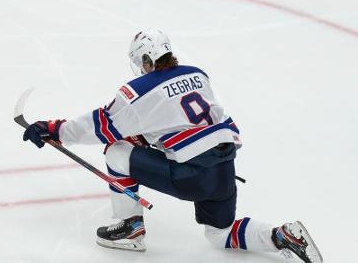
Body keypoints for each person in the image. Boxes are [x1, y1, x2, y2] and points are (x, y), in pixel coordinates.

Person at [22, 29, 322, 263]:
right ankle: (281, 236)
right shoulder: (197, 74)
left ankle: (130, 228)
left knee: (117, 151)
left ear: (145, 60)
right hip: (224, 171)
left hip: (191, 176)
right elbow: (201, 122)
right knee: (220, 234)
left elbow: (100, 126)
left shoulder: (140, 90)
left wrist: (53, 129)